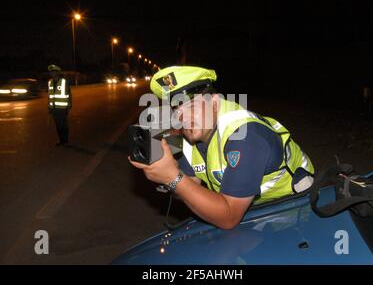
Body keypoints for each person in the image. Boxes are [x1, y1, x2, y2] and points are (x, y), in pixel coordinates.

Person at [129, 66, 314, 229]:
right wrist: (166, 171)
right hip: (256, 212)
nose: (182, 118)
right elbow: (190, 186)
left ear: (215, 102)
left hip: (296, 209)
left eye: (191, 106)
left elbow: (229, 218)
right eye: (176, 110)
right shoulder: (191, 137)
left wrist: (173, 178)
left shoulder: (245, 135)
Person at [47, 64, 72, 146]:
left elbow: (69, 94)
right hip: (53, 108)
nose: (52, 73)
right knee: (58, 125)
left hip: (62, 107)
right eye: (51, 72)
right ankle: (61, 140)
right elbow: (50, 96)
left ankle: (66, 141)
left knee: (63, 125)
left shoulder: (64, 81)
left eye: (54, 72)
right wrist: (49, 107)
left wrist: (69, 105)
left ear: (57, 72)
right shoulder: (50, 82)